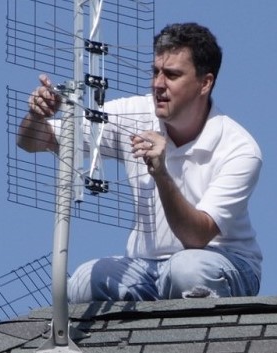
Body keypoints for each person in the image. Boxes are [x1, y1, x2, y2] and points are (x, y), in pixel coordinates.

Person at [17, 22, 262, 302]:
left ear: (205, 83)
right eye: (156, 72)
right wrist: (38, 116)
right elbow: (34, 142)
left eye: (171, 75)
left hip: (221, 261)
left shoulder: (238, 148)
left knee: (187, 271)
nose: (158, 84)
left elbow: (197, 237)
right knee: (84, 281)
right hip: (148, 267)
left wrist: (161, 174)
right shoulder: (133, 114)